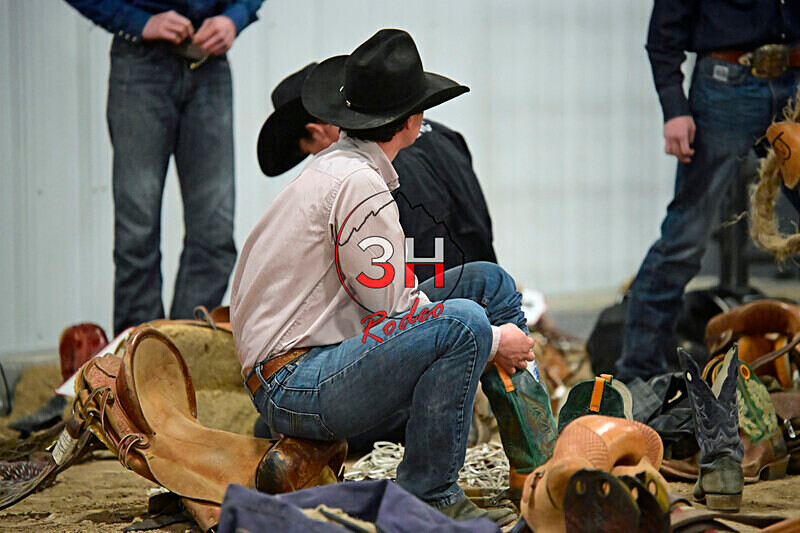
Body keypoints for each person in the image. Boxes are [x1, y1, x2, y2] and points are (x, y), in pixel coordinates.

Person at [232, 29, 539, 523]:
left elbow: (390, 303)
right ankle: (431, 492)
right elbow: (397, 311)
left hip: (292, 366)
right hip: (294, 381)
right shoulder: (361, 185)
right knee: (465, 322)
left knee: (487, 282)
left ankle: (533, 464)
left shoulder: (341, 168)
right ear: (413, 120)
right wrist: (496, 340)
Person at [615, 0, 800, 382]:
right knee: (685, 238)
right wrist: (674, 108)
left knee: (685, 238)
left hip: (794, 83)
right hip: (726, 86)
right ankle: (638, 376)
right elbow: (664, 32)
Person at [64, 0, 264, 334]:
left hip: (208, 63)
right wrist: (137, 21)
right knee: (136, 235)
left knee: (214, 235)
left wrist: (235, 17)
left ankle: (185, 348)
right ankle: (140, 354)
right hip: (140, 61)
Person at [256, 63, 497, 279]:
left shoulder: (370, 169)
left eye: (312, 152)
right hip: (481, 277)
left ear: (316, 131)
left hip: (438, 293)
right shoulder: (442, 135)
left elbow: (411, 253)